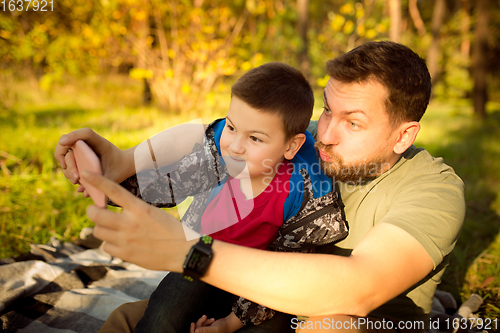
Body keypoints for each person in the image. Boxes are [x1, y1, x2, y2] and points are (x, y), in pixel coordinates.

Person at [55, 41, 465, 333]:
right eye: (327, 109)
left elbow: (356, 288)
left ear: (403, 136)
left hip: (343, 321)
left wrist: (190, 253)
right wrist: (122, 162)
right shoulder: (298, 143)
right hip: (247, 297)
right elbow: (211, 144)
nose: (326, 134)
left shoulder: (434, 190)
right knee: (131, 320)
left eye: (353, 122)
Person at [55, 62, 348, 332]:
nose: (235, 146)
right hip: (204, 250)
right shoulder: (222, 156)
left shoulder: (302, 194)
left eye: (255, 138)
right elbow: (170, 182)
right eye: (232, 127)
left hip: (262, 277)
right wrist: (106, 181)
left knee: (271, 326)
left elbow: (286, 269)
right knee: (164, 315)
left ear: (291, 146)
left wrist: (229, 324)